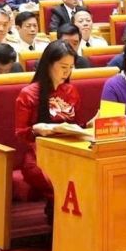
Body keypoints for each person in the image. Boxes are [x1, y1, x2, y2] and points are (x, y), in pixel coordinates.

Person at [15, 41, 82, 206]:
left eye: (71, 67)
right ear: (49, 64)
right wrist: (36, 130)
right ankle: (56, 216)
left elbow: (74, 124)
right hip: (38, 155)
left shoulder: (71, 91)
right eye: (63, 67)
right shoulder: (28, 94)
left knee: (86, 175)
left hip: (67, 150)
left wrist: (88, 125)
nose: (67, 72)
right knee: (59, 180)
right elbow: (20, 133)